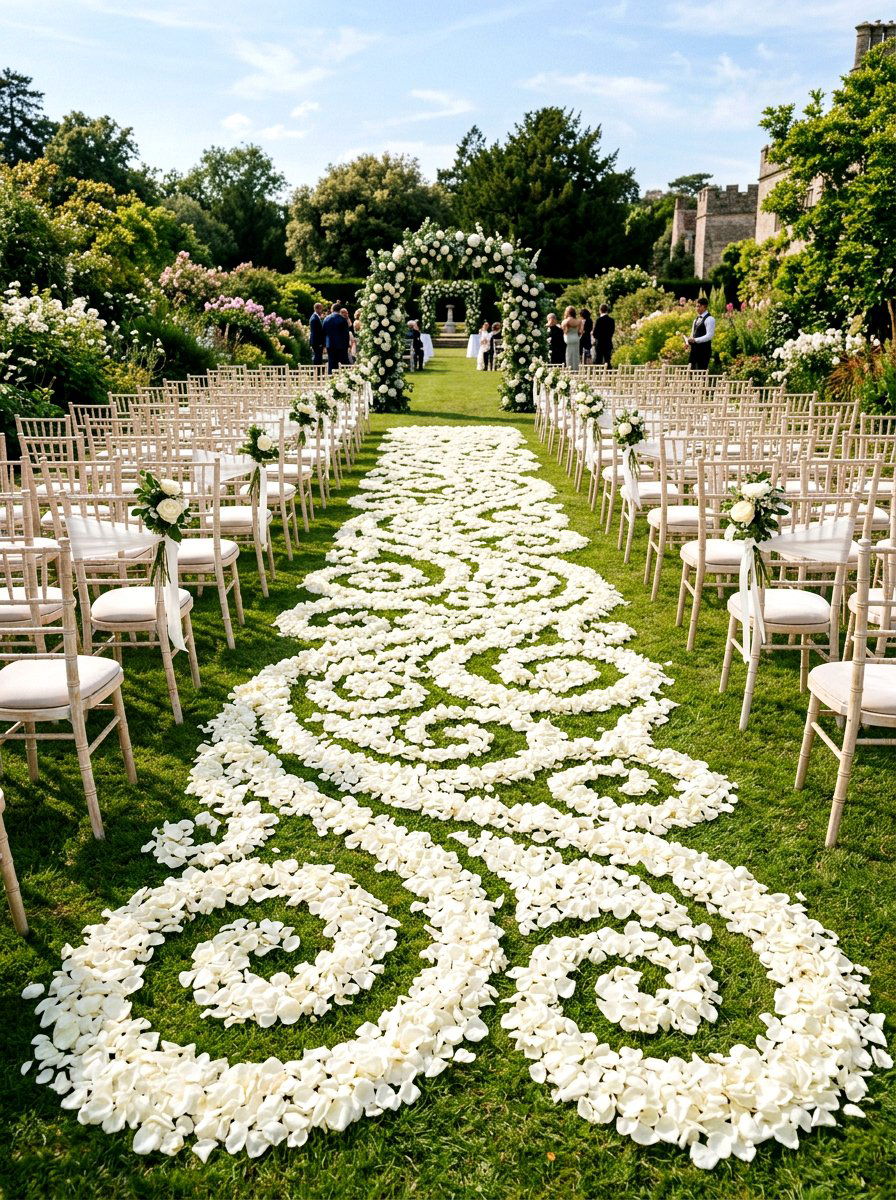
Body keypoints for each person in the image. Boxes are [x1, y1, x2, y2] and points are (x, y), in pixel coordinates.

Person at [687, 297, 715, 370]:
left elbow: (709, 335)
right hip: (694, 350)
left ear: (704, 306)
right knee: (690, 370)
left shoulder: (710, 319)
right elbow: (692, 334)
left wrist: (695, 340)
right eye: (696, 306)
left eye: (698, 306)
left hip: (704, 350)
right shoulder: (695, 319)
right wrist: (688, 342)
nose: (696, 308)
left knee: (701, 372)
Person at [322, 302, 351, 374]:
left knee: (331, 363)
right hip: (341, 345)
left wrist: (324, 345)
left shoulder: (326, 319)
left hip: (330, 345)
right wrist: (347, 345)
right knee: (344, 364)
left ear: (332, 309)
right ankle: (345, 379)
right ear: (340, 310)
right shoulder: (343, 319)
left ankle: (330, 379)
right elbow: (346, 334)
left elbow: (323, 333)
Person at [561, 306, 583, 371]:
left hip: (568, 339)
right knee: (576, 355)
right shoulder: (578, 321)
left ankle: (569, 369)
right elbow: (580, 332)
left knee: (569, 354)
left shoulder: (565, 321)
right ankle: (576, 369)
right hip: (576, 338)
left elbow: (563, 329)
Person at [309, 301, 325, 366]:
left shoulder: (315, 317)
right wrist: (321, 342)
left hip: (316, 341)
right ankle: (317, 373)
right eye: (321, 309)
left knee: (318, 357)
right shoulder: (314, 318)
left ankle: (317, 372)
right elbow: (316, 332)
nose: (322, 311)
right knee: (318, 357)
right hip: (317, 342)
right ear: (317, 309)